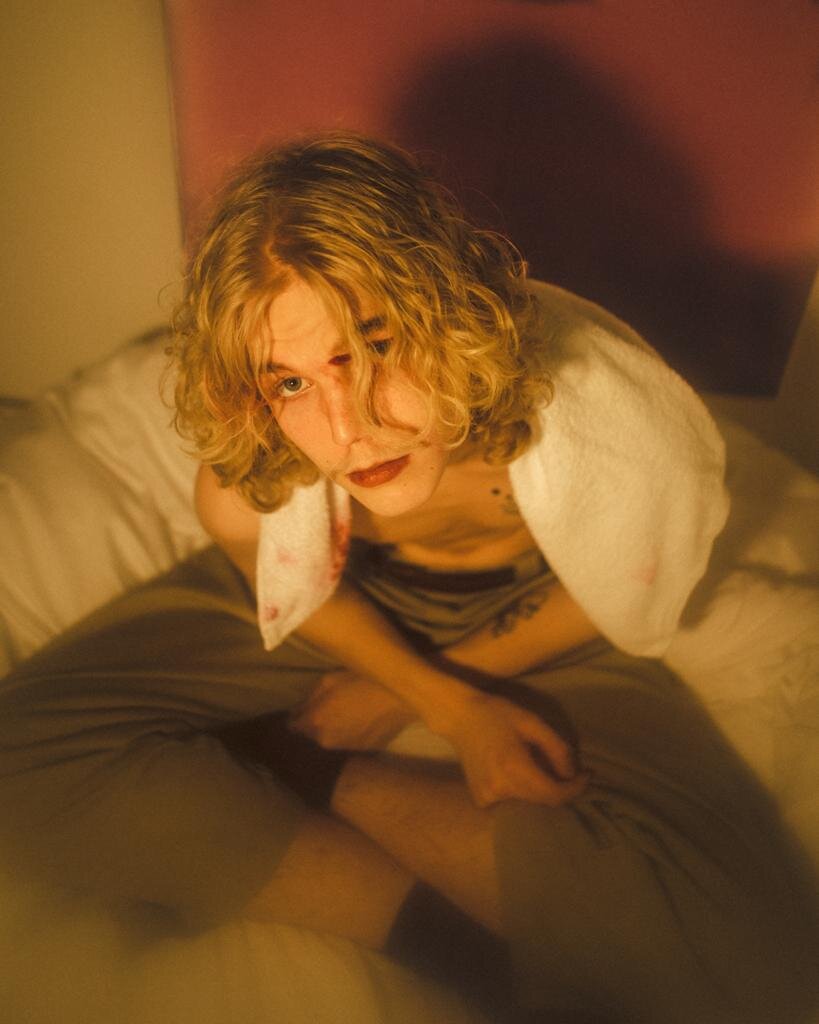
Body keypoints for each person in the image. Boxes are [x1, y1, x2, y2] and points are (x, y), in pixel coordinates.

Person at [0, 133, 816, 1024]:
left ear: (450, 311)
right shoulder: (256, 471)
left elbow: (632, 577)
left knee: (744, 962)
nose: (347, 428)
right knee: (18, 756)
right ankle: (460, 955)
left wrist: (411, 695)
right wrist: (450, 707)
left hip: (544, 602)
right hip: (336, 589)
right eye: (288, 382)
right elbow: (268, 559)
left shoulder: (607, 411)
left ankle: (297, 765)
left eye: (373, 346)